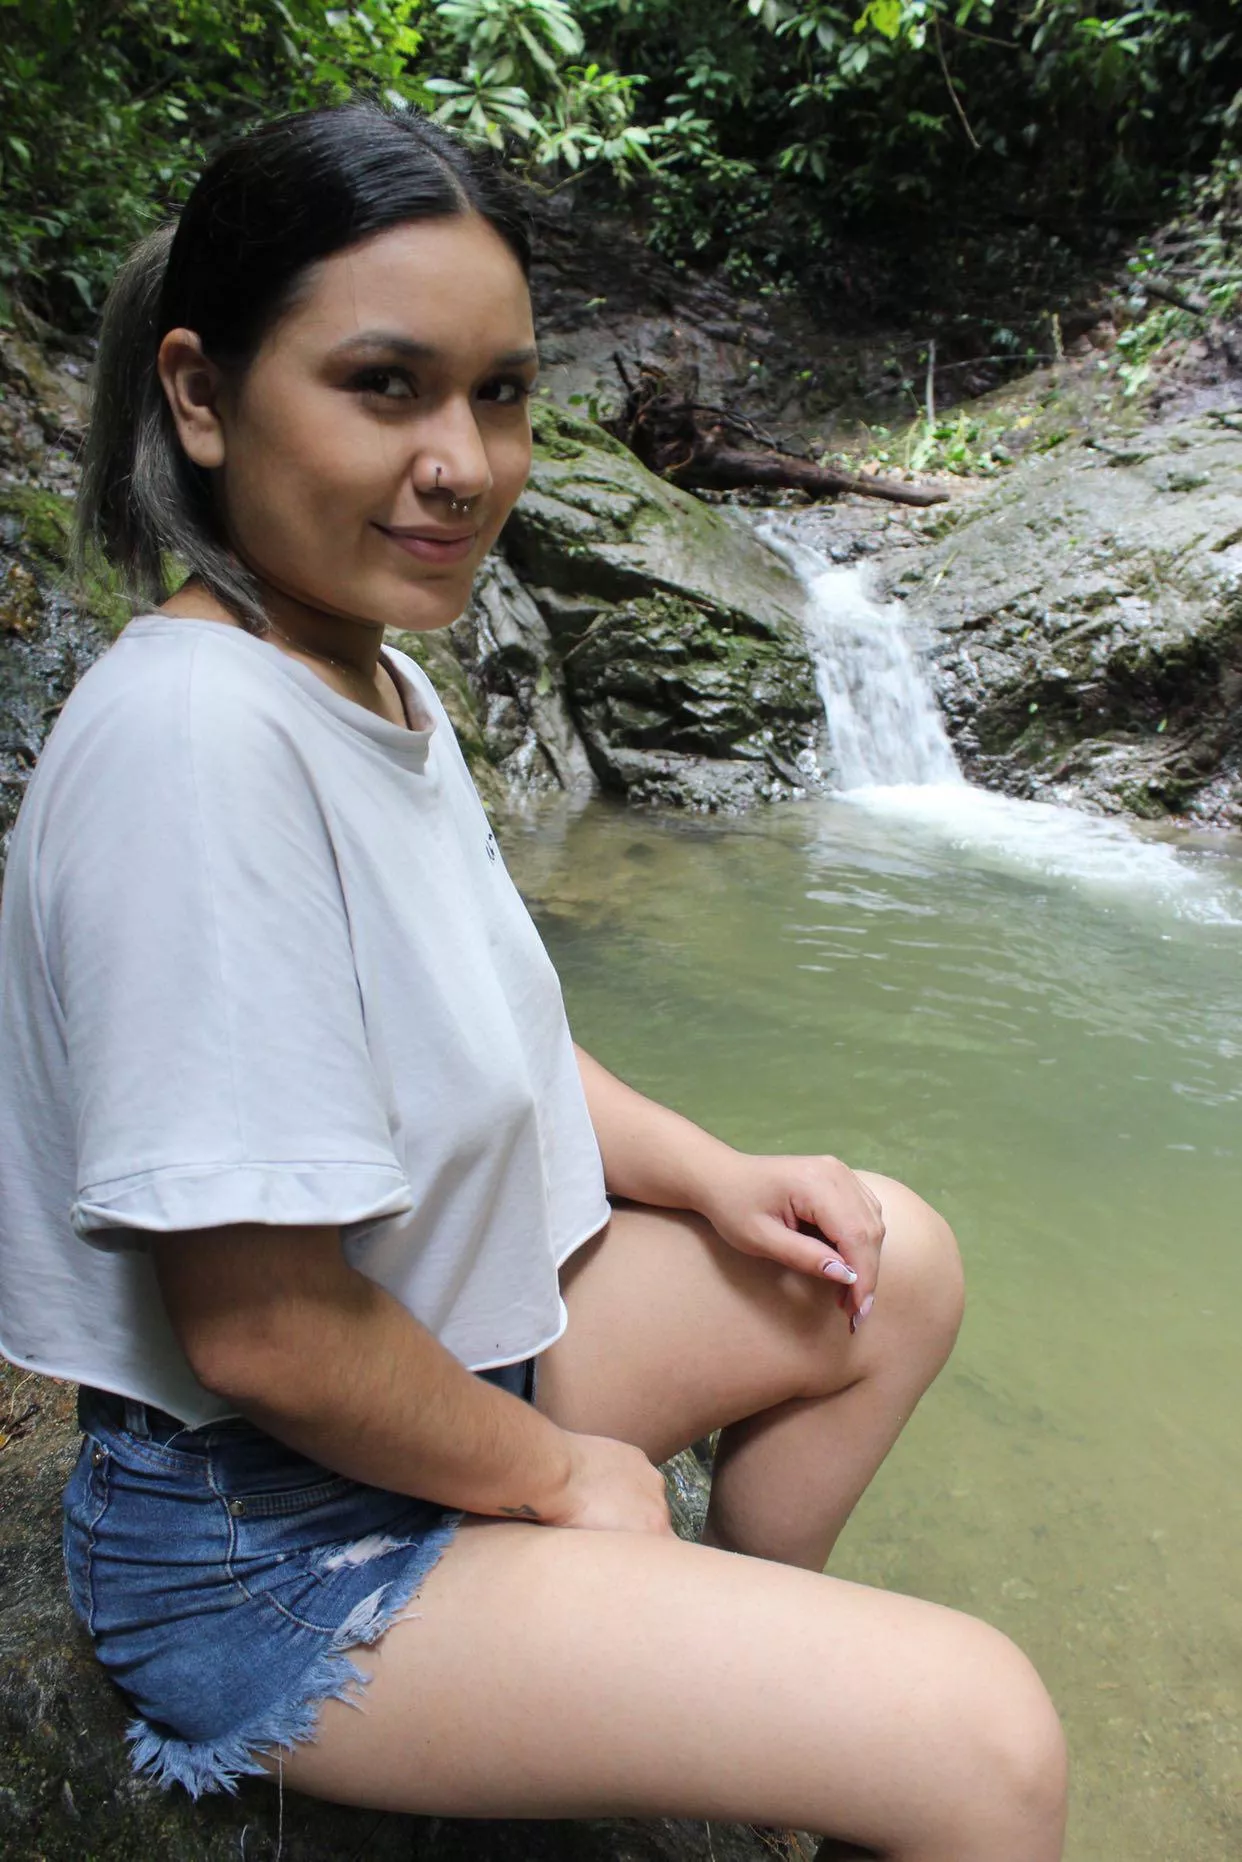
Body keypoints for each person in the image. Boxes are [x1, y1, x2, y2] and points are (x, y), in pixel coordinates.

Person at [0, 102, 1066, 1862]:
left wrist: (721, 1174)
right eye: (385, 385)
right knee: (991, 1743)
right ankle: (820, 1719)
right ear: (199, 394)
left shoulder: (359, 681)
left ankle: (744, 1693)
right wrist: (563, 1480)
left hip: (443, 1378)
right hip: (270, 1539)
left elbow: (493, 1036)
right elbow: (257, 1322)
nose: (464, 459)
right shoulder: (196, 742)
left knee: (887, 1262)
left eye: (498, 392)